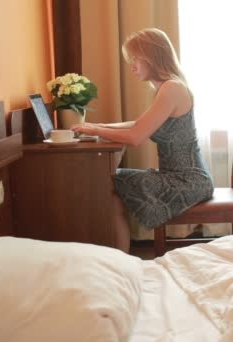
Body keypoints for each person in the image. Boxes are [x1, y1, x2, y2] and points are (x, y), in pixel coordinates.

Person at [72, 28, 214, 253]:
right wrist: (97, 128)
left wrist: (96, 129)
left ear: (152, 57)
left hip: (188, 181)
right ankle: (121, 255)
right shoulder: (169, 87)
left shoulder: (171, 89)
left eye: (136, 59)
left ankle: (121, 257)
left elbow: (136, 136)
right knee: (113, 183)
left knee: (111, 182)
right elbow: (139, 123)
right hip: (182, 177)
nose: (132, 66)